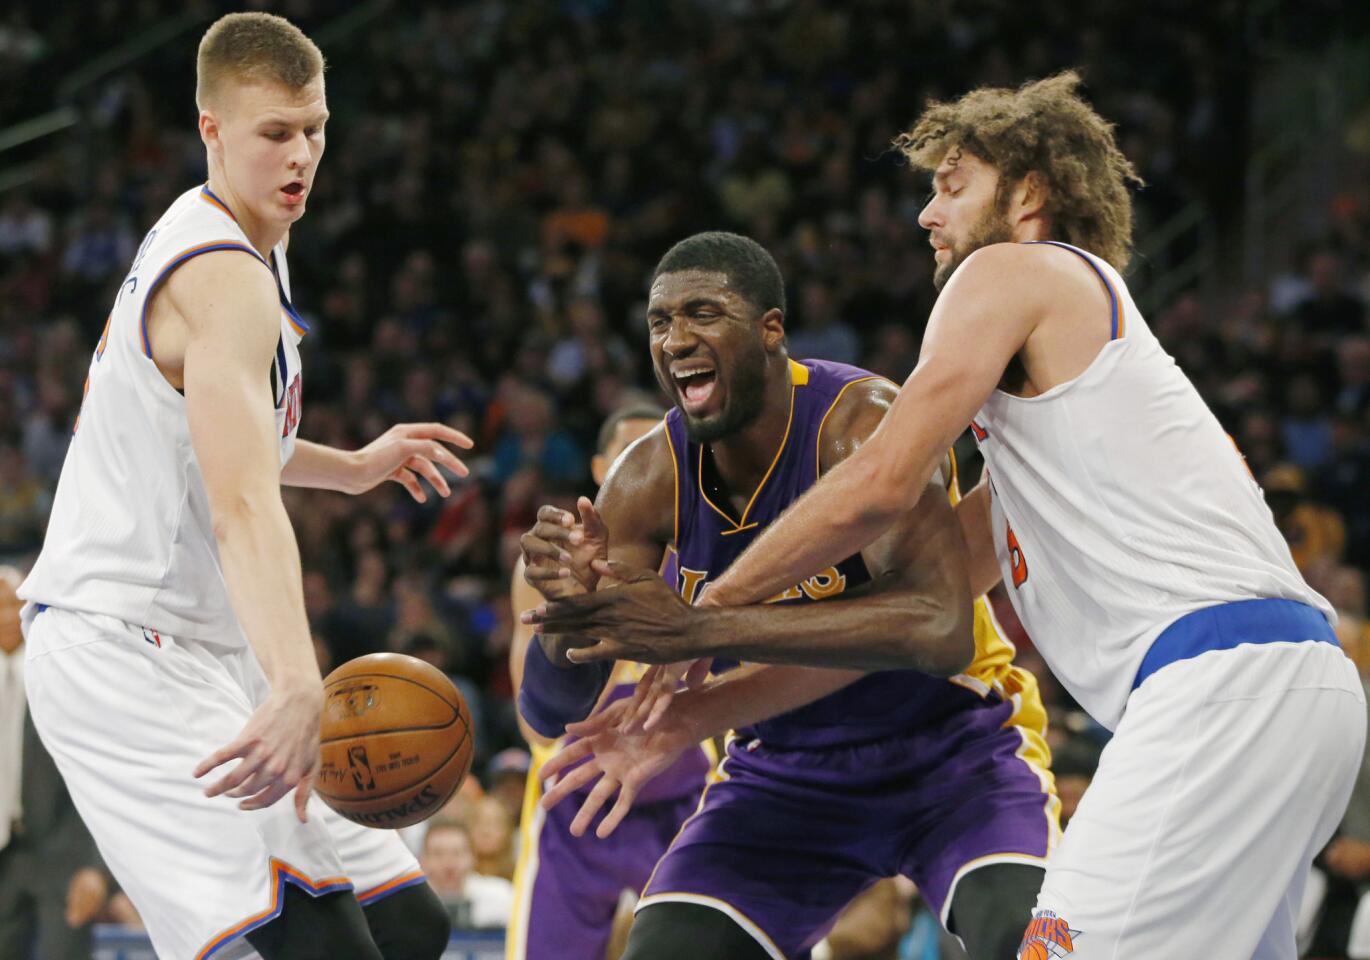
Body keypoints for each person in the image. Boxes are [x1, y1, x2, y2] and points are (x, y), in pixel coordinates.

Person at [532, 73, 1366, 959]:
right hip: (1302, 691)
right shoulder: (1043, 453)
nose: (929, 215)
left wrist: (700, 624)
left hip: (1216, 686)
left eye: (951, 185)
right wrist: (696, 712)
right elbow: (887, 629)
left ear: (1030, 192)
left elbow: (884, 478)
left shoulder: (1013, 269)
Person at [18, 13, 471, 960]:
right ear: (211, 129)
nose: (301, 154)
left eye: (315, 128)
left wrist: (347, 468)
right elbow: (240, 504)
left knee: (410, 926)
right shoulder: (223, 276)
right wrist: (300, 681)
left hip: (201, 645)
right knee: (313, 949)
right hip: (120, 651)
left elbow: (229, 440)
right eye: (275, 133)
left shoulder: (252, 237)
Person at [521, 231, 1057, 960]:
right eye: (659, 322)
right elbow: (551, 708)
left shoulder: (862, 422)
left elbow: (938, 630)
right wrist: (566, 613)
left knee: (1029, 941)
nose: (675, 339)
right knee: (669, 949)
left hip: (954, 752)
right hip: (783, 776)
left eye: (702, 314)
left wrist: (708, 628)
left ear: (771, 330)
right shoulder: (649, 477)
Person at [506, 401, 715, 960]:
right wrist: (584, 618)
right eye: (629, 453)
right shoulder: (555, 561)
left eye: (658, 452)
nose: (646, 463)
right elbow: (536, 719)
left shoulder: (708, 546)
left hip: (686, 791)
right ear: (602, 470)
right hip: (576, 790)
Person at [0, 566, 109, 960]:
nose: (7, 616)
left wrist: (97, 867)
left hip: (64, 859)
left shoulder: (61, 674)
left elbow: (97, 775)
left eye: (14, 604)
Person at [421, 820, 515, 931]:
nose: (449, 864)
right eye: (438, 854)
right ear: (423, 860)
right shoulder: (410, 902)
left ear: (473, 857)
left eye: (457, 853)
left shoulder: (502, 896)